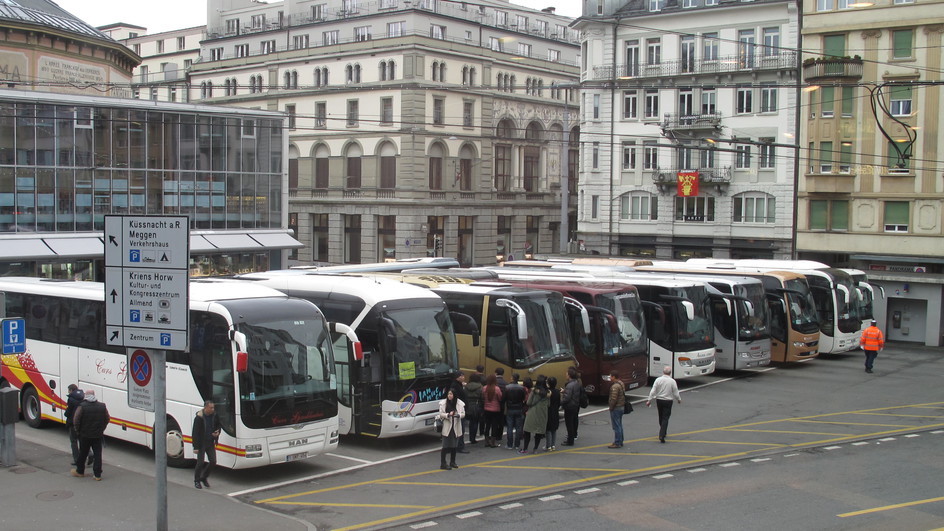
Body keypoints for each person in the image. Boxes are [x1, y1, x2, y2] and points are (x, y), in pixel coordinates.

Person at [71, 389, 110, 481]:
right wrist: (101, 429)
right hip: (97, 435)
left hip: (84, 435)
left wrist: (78, 431)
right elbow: (107, 419)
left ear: (86, 396)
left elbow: (76, 420)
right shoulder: (102, 406)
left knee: (83, 453)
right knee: (98, 454)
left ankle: (80, 471)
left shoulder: (82, 406)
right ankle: (97, 475)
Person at [646, 366, 681, 443]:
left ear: (663, 372)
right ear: (670, 373)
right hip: (668, 401)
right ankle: (662, 434)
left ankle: (663, 430)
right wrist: (678, 399)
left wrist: (649, 400)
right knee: (666, 417)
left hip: (659, 400)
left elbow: (653, 390)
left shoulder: (658, 380)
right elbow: (675, 392)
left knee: (661, 416)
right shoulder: (672, 381)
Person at [192, 400, 222, 489]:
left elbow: (218, 425)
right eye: (211, 407)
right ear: (206, 407)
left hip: (210, 442)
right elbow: (195, 433)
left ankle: (204, 477)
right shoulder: (199, 418)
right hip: (201, 443)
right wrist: (196, 447)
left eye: (213, 407)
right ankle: (197, 481)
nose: (213, 409)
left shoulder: (214, 415)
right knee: (200, 463)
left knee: (213, 461)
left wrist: (217, 432)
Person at [437, 389, 465, 470]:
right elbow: (440, 414)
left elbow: (463, 414)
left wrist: (458, 415)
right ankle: (443, 463)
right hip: (447, 426)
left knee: (454, 446)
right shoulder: (443, 403)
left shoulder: (459, 403)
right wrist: (448, 415)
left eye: (451, 394)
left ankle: (453, 462)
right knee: (445, 446)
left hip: (455, 426)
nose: (450, 395)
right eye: (449, 394)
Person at [521, 375, 549, 453]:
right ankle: (535, 449)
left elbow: (529, 402)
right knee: (538, 432)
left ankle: (525, 449)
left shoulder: (534, 391)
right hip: (542, 414)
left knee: (527, 431)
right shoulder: (548, 393)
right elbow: (548, 404)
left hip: (532, 413)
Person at [503, 373, 527, 450]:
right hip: (519, 408)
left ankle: (509, 444)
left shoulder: (507, 387)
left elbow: (504, 398)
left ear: (512, 378)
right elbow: (523, 398)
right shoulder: (521, 388)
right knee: (518, 427)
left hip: (510, 408)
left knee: (509, 427)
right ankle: (517, 444)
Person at [449, 372, 470, 453]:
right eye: (462, 376)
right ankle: (459, 446)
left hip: (460, 409)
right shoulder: (455, 386)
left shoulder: (458, 385)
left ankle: (458, 445)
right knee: (460, 429)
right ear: (457, 377)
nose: (463, 377)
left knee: (459, 429)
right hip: (458, 410)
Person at [560, 367, 581, 446]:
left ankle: (570, 440)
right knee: (572, 422)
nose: (566, 375)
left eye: (566, 374)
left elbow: (567, 398)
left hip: (569, 406)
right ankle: (571, 438)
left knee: (569, 424)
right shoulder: (576, 383)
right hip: (575, 405)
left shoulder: (569, 385)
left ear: (569, 375)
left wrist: (561, 402)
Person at [65, 383, 84, 467]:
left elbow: (69, 412)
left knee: (73, 441)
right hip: (81, 423)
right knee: (82, 440)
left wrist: (66, 414)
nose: (68, 392)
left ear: (71, 390)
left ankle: (77, 460)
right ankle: (90, 453)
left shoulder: (71, 399)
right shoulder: (82, 398)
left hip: (72, 423)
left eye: (69, 390)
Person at [481, 374, 503, 448]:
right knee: (494, 426)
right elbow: (500, 398)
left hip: (486, 409)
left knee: (487, 425)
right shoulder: (497, 389)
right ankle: (493, 443)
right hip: (495, 410)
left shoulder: (484, 388)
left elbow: (483, 397)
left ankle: (486, 442)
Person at [607, 371, 626, 448]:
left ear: (614, 377)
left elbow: (613, 399)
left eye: (610, 376)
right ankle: (620, 440)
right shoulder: (621, 383)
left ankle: (617, 442)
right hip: (621, 406)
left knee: (616, 426)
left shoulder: (615, 387)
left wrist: (611, 407)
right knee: (619, 424)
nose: (610, 378)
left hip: (616, 408)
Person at [464, 373, 484, 445]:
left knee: (470, 423)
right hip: (476, 405)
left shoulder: (466, 387)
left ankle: (470, 437)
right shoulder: (480, 387)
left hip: (468, 405)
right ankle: (473, 438)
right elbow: (482, 398)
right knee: (475, 422)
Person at [545, 376, 560, 451]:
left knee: (548, 429)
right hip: (555, 411)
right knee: (554, 429)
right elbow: (559, 403)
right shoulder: (557, 392)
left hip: (548, 411)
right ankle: (553, 445)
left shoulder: (548, 392)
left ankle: (548, 446)